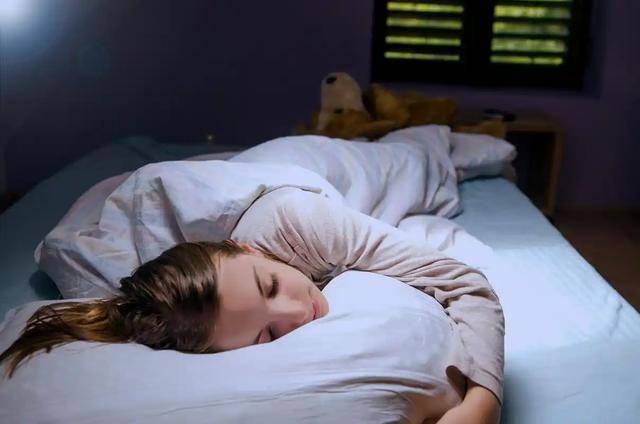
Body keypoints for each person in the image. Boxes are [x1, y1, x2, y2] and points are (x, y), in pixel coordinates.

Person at [0, 187, 504, 423]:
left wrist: (483, 402)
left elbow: (462, 280)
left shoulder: (299, 223)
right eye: (268, 335)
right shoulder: (166, 308)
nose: (297, 313)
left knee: (413, 163)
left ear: (248, 250)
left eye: (270, 286)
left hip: (303, 180)